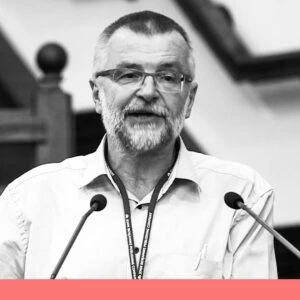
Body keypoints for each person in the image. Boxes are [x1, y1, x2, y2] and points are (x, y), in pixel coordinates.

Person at [0, 11, 277, 279]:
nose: (147, 92)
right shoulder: (28, 200)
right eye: (128, 75)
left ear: (189, 99)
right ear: (97, 95)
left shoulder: (241, 196)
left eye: (168, 77)